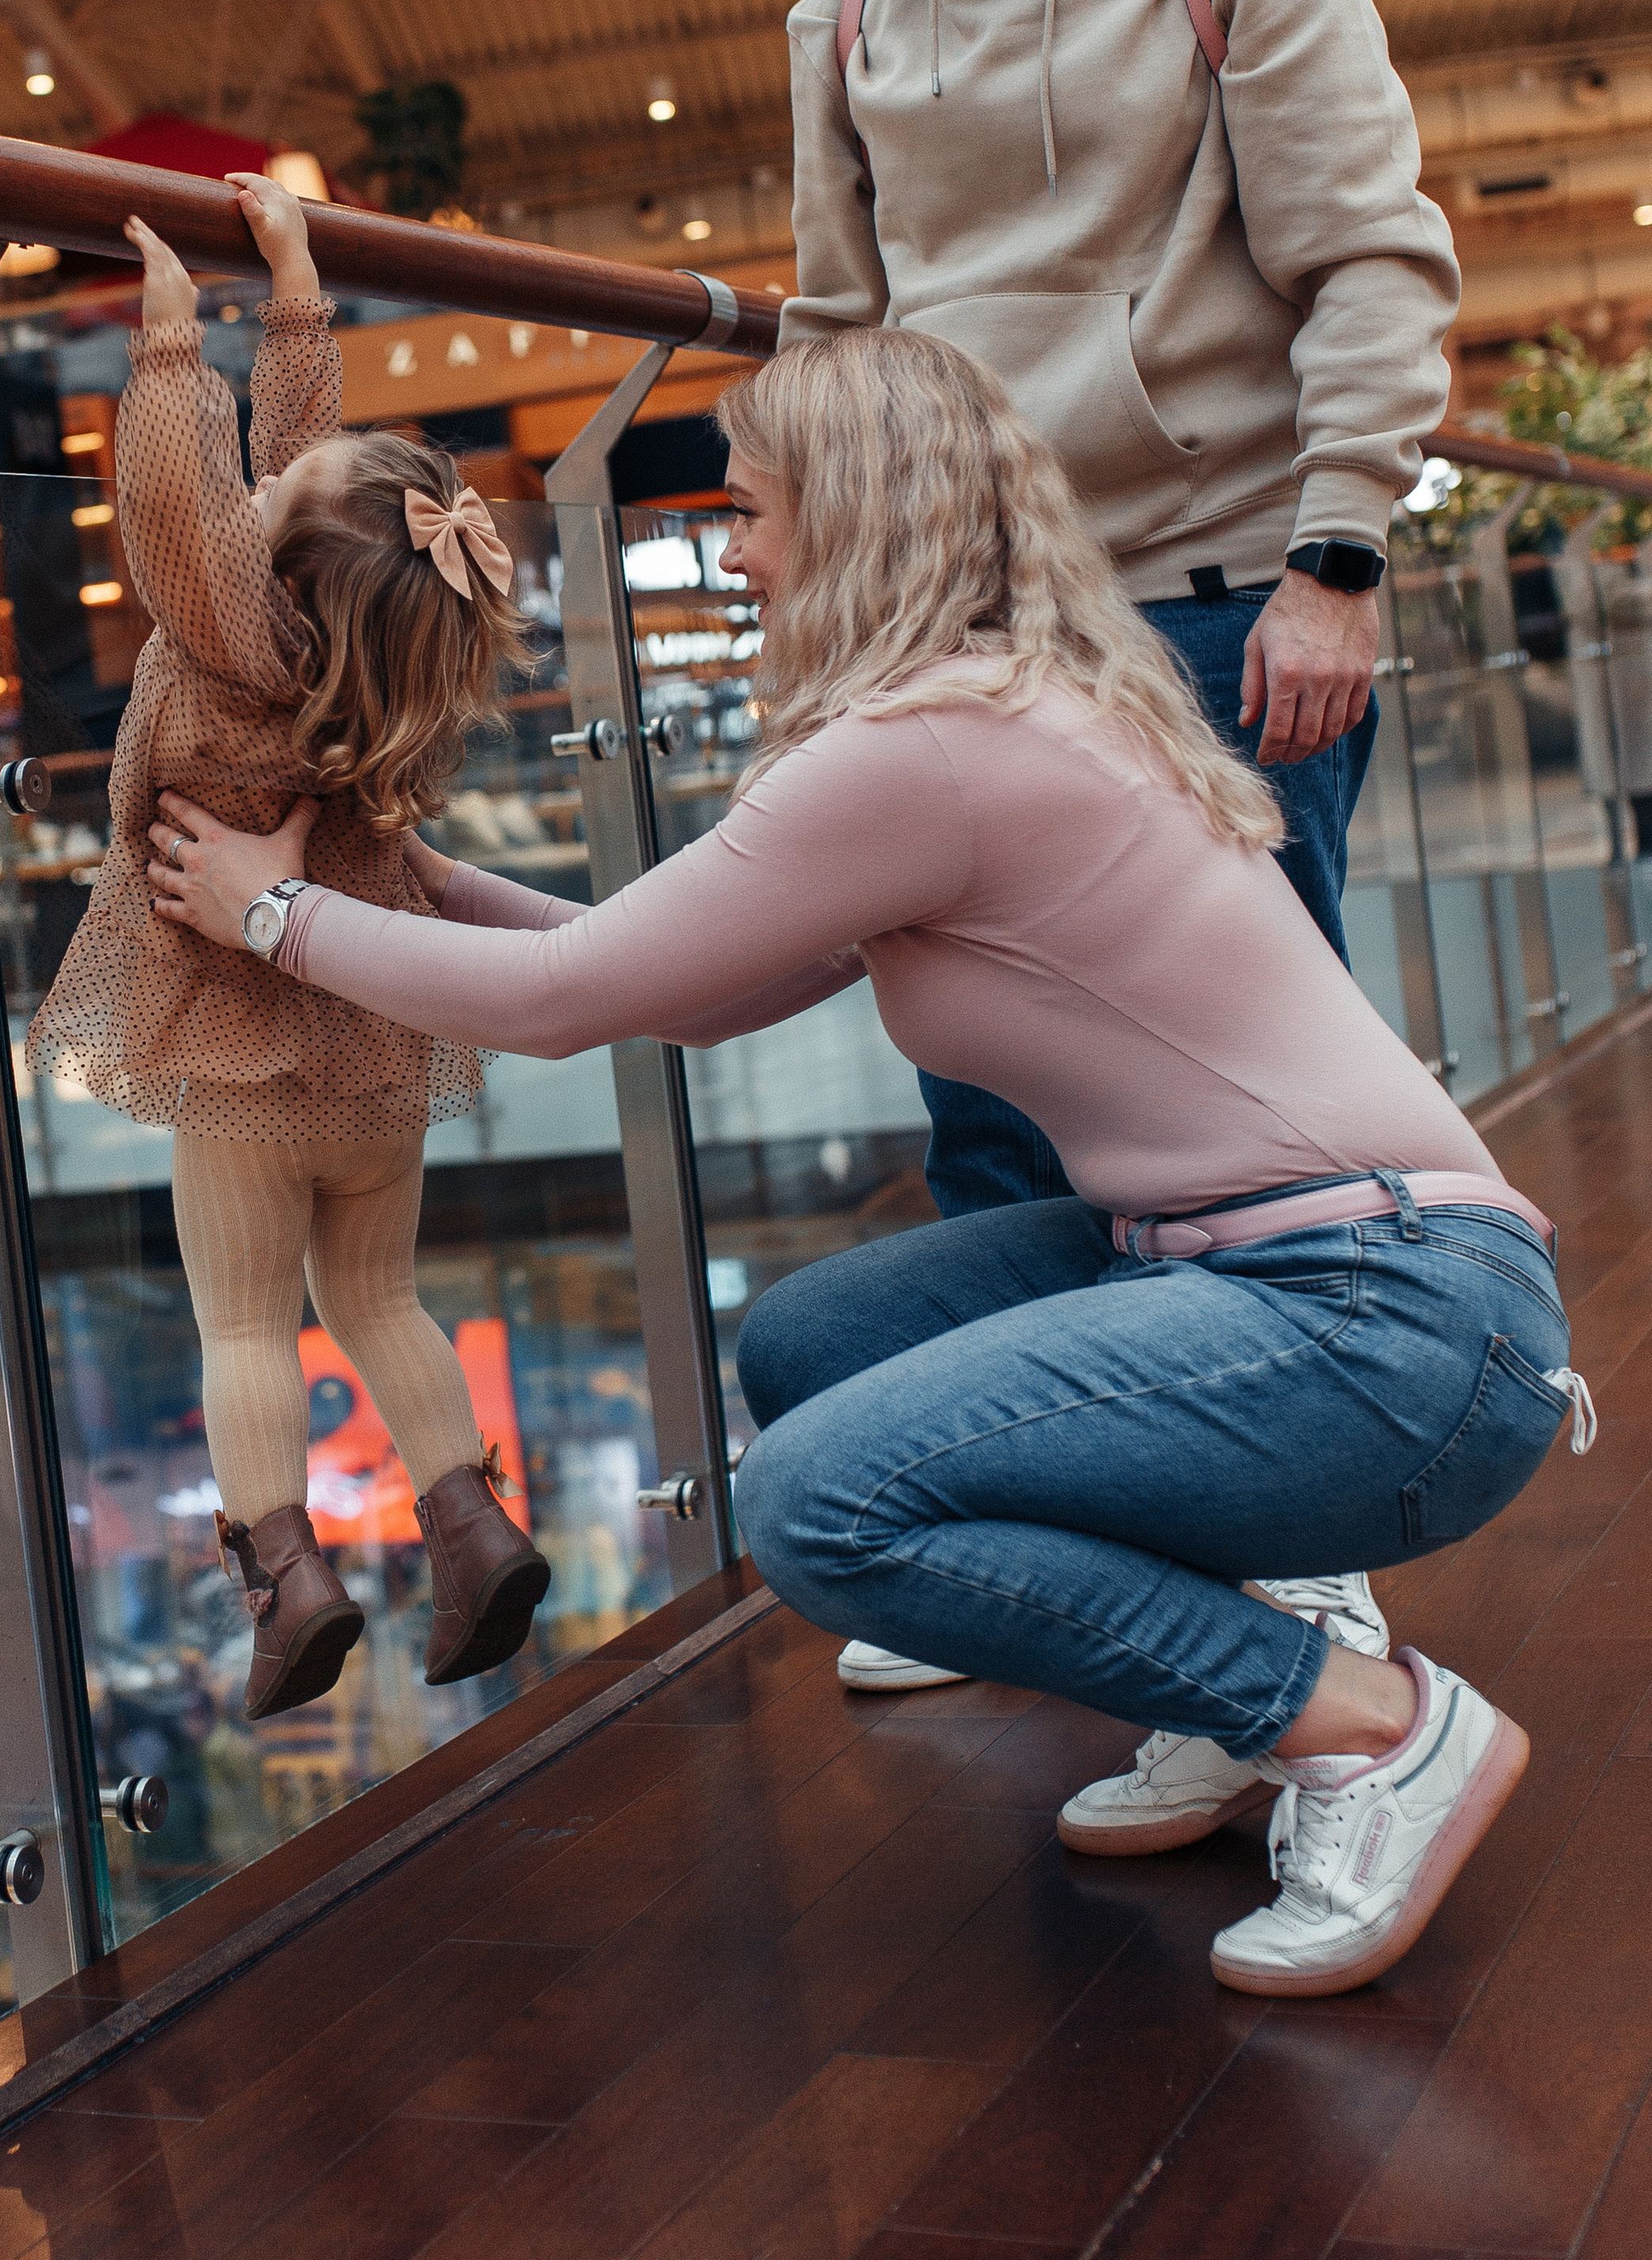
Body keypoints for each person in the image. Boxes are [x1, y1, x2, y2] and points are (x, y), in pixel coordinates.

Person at [141, 332, 1594, 1999]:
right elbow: (683, 989)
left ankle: (1368, 1730)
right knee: (817, 1345)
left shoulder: (925, 752)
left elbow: (562, 1003)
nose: (733, 556)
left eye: (748, 513)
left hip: (1381, 1323)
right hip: (1333, 1280)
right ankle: (1237, 1694)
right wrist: (401, 876)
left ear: (848, 519)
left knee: (813, 1503)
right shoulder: (991, 712)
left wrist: (274, 913)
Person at [785, 0, 1463, 1704]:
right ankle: (1044, 1544)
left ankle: (1307, 1561)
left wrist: (1335, 557)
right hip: (964, 628)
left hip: (1218, 599)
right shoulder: (841, 14)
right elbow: (836, 332)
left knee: (1244, 1110)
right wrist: (834, 620)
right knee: (992, 1104)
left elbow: (1365, 255)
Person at [27, 174, 549, 1715]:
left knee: (246, 1322)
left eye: (269, 514)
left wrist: (171, 346)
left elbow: (181, 503)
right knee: (378, 1300)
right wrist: (297, 294)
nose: (251, 505)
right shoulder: (380, 653)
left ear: (275, 571)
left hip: (242, 1052)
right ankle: (469, 1530)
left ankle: (286, 1583)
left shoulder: (222, 642)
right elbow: (301, 481)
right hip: (376, 1031)